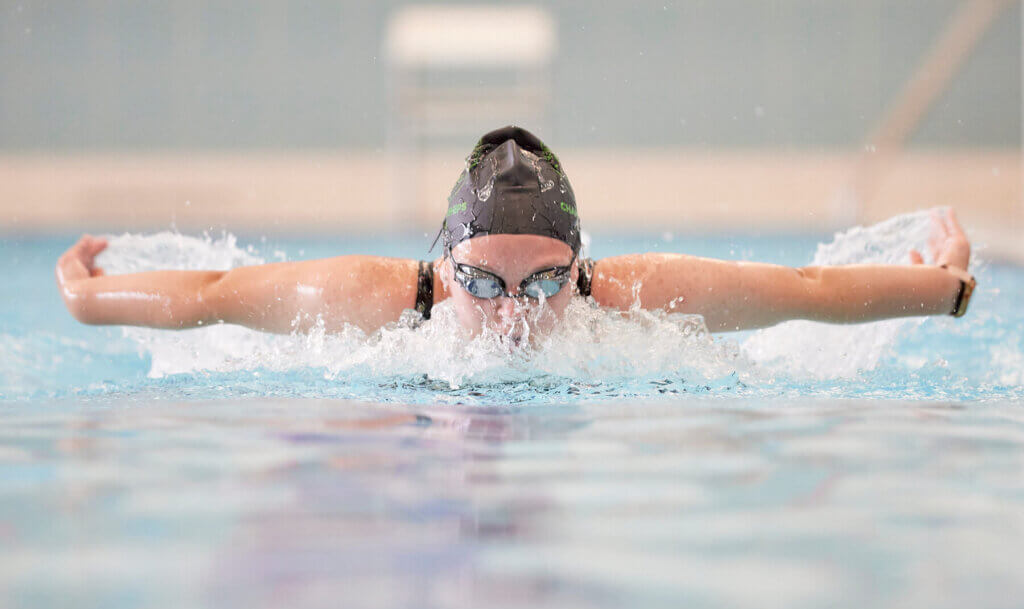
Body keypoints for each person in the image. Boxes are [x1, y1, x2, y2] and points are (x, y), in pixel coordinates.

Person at [56, 126, 976, 345]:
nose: (510, 321)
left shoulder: (631, 295)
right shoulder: (379, 298)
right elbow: (215, 299)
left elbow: (805, 297)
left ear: (579, 270)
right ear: (440, 263)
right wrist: (86, 297)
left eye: (541, 286)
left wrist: (950, 290)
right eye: (482, 285)